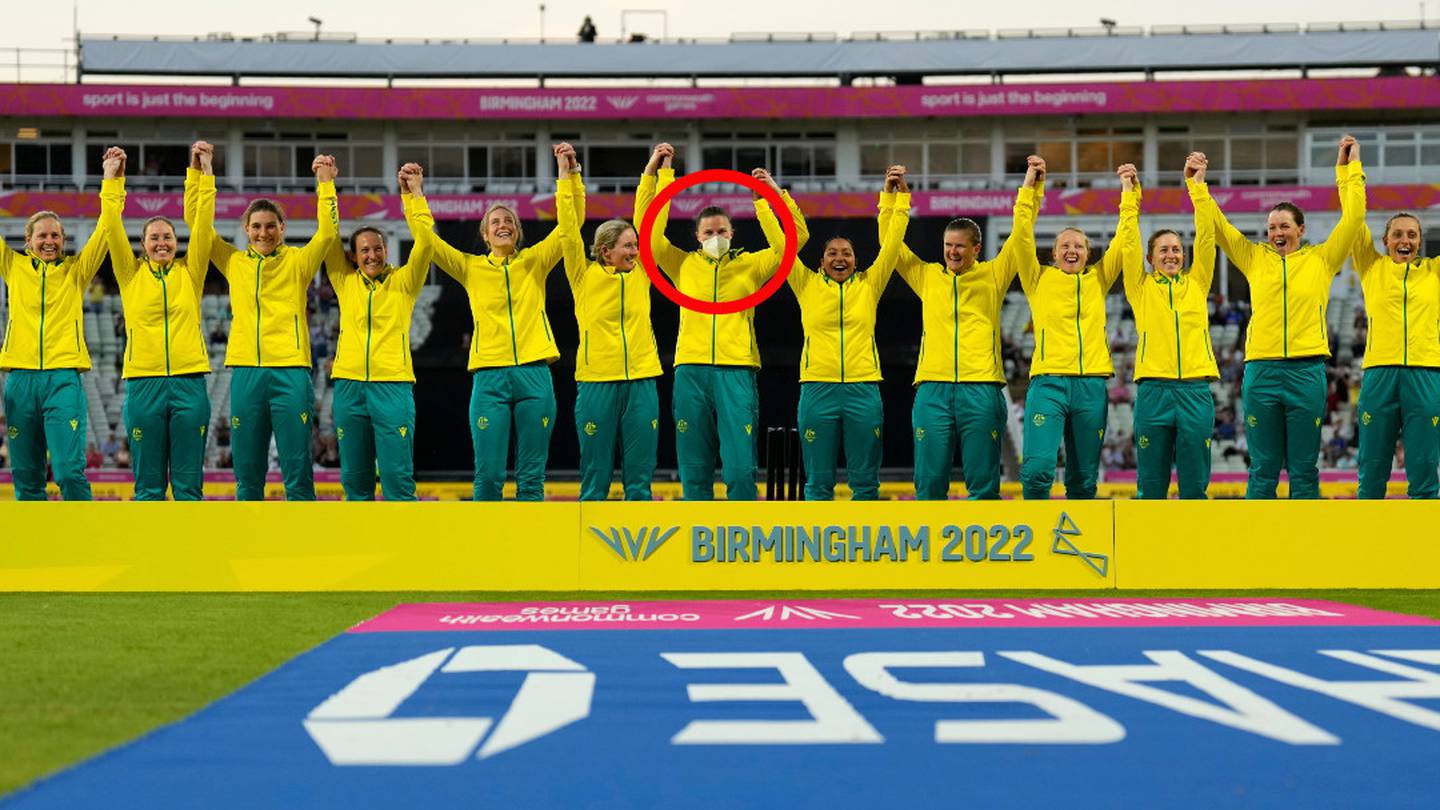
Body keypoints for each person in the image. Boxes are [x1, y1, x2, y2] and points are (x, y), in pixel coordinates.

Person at [635, 142, 809, 500]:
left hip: (736, 369)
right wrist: (658, 175)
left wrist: (768, 199)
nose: (716, 238)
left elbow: (795, 240)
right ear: (697, 238)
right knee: (694, 468)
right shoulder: (682, 264)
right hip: (691, 369)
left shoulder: (752, 265)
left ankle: (741, 530)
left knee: (741, 469)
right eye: (709, 233)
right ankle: (695, 531)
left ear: (732, 234)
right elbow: (647, 231)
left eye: (722, 232)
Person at [1202, 135, 1366, 499]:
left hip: (1307, 372)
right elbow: (1219, 227)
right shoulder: (1253, 258)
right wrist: (1198, 186)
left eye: (1284, 226)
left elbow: (1354, 218)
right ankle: (1259, 535)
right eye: (1272, 227)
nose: (1277, 232)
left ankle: (1304, 535)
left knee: (1304, 468)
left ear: (1301, 230)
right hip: (1261, 371)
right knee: (1263, 467)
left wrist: (1348, 171)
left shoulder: (1322, 259)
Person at [427, 143, 579, 501]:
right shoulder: (470, 267)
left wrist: (566, 175)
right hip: (490, 376)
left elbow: (569, 227)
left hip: (534, 372)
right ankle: (486, 537)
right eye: (495, 222)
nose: (503, 225)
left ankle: (529, 537)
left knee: (532, 477)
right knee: (489, 474)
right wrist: (414, 197)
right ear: (485, 235)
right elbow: (428, 242)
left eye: (509, 220)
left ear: (517, 231)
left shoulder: (535, 261)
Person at [889, 159, 1042, 500]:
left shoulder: (994, 275)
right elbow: (891, 247)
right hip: (933, 389)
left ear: (976, 249)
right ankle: (929, 536)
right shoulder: (927, 276)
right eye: (947, 245)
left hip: (981, 388)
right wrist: (895, 201)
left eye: (959, 246)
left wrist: (1031, 187)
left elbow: (1021, 234)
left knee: (983, 485)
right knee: (929, 483)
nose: (952, 252)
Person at [202, 141, 338, 501]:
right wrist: (203, 175)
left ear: (282, 227)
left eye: (270, 226)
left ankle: (299, 530)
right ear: (246, 229)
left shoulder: (298, 262)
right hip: (247, 370)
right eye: (257, 226)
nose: (263, 233)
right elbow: (199, 229)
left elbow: (327, 233)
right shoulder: (233, 262)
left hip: (291, 371)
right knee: (247, 471)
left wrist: (325, 183)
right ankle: (250, 531)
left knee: (297, 469)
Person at [0, 146, 124, 500]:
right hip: (20, 379)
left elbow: (106, 229)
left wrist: (111, 179)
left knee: (69, 471)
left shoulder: (76, 271)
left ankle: (84, 533)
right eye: (42, 235)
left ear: (64, 241)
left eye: (56, 235)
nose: (49, 241)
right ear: (27, 241)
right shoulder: (13, 267)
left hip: (63, 379)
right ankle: (37, 538)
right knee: (26, 480)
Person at [100, 142, 217, 500]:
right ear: (143, 244)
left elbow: (204, 225)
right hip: (143, 384)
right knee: (148, 488)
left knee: (188, 487)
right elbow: (111, 226)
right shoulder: (130, 274)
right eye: (154, 238)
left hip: (189, 383)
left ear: (177, 243)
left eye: (168, 237)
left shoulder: (191, 272)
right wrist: (112, 179)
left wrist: (203, 173)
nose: (162, 243)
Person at [784, 171, 910, 500]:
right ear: (821, 262)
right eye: (832, 253)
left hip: (863, 389)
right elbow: (783, 246)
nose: (840, 258)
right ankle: (817, 535)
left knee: (866, 484)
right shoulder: (805, 283)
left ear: (855, 261)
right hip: (817, 388)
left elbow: (892, 244)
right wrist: (770, 198)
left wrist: (895, 199)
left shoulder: (870, 284)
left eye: (846, 253)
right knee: (817, 484)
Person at [1019, 162, 1138, 500]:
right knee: (1038, 469)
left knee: (1084, 479)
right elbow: (1021, 234)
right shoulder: (1037, 278)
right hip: (1049, 382)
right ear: (1054, 253)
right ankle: (1035, 526)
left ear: (1088, 253)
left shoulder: (1099, 278)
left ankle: (1078, 529)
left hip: (1091, 385)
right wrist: (1030, 189)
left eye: (1079, 246)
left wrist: (1129, 192)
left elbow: (1125, 237)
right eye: (1065, 246)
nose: (1072, 251)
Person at [321, 163, 436, 501]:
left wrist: (413, 195)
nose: (372, 255)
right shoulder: (343, 281)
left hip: (393, 386)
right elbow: (327, 235)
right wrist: (326, 185)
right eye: (364, 250)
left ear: (386, 250)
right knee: (355, 481)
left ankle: (402, 536)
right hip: (349, 386)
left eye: (378, 248)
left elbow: (426, 243)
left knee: (397, 479)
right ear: (354, 256)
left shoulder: (404, 281)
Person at [1121, 154, 1220, 499]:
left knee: (1195, 484)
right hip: (1153, 390)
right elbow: (1129, 243)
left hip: (1195, 390)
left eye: (1177, 249)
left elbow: (1206, 236)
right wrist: (1129, 196)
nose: (1171, 255)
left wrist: (1197, 187)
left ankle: (1195, 534)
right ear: (1150, 259)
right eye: (1163, 250)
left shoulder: (1198, 283)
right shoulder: (1140, 287)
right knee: (1151, 484)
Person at [563, 167, 662, 501]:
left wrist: (652, 173)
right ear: (606, 251)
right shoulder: (582, 275)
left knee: (640, 479)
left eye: (636, 245)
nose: (635, 251)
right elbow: (568, 231)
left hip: (642, 380)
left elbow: (648, 219)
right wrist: (568, 177)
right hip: (597, 381)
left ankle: (640, 534)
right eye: (627, 246)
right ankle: (590, 533)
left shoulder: (643, 272)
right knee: (595, 478)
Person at [1350, 207, 1439, 498]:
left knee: (1425, 468)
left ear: (1420, 241)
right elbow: (1353, 218)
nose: (1405, 240)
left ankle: (1425, 527)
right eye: (1398, 234)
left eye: (1412, 235)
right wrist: (1350, 180)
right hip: (1379, 374)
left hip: (1425, 373)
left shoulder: (1435, 272)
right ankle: (1366, 527)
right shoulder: (1371, 266)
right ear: (1385, 240)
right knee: (1372, 470)